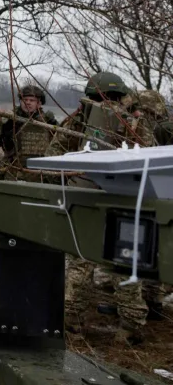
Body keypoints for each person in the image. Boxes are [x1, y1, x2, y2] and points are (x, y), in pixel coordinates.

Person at [47, 72, 157, 343]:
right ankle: (74, 320)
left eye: (112, 100)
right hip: (100, 198)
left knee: (120, 260)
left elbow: (150, 153)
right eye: (102, 100)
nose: (107, 105)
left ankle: (129, 326)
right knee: (89, 260)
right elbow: (55, 152)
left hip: (120, 199)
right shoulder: (81, 118)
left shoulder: (132, 120)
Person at [0, 84, 57, 181]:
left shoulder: (47, 121)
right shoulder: (10, 118)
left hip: (40, 176)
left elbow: (59, 146)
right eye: (24, 100)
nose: (27, 103)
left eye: (32, 100)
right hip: (13, 174)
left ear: (39, 103)